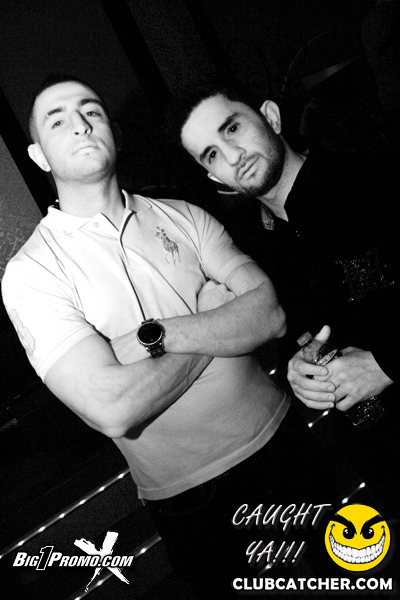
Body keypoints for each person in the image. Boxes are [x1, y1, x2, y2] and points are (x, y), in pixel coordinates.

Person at [1, 74, 338, 599]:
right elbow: (113, 407)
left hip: (285, 440)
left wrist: (154, 338)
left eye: (91, 110)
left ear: (112, 131)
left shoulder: (185, 216)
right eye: (57, 120)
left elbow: (269, 315)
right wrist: (214, 318)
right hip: (195, 498)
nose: (81, 125)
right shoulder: (33, 273)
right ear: (39, 155)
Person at [167, 76, 399, 513]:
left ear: (270, 117)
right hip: (382, 460)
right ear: (213, 176)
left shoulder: (374, 179)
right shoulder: (258, 252)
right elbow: (303, 333)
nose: (232, 156)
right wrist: (298, 369)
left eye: (232, 128)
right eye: (212, 154)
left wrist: (385, 362)